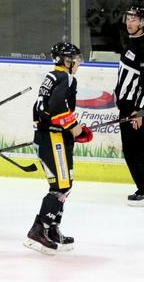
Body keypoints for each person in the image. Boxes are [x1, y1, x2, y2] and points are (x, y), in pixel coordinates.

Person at [24, 41, 93, 255]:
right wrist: (74, 129)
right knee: (61, 186)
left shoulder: (52, 76)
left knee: (65, 184)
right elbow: (56, 106)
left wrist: (72, 129)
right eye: (76, 58)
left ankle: (52, 228)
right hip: (54, 139)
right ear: (66, 60)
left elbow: (44, 109)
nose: (79, 62)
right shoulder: (67, 77)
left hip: (50, 136)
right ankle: (38, 231)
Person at [114, 6, 144, 207]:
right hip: (129, 107)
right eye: (128, 18)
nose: (129, 22)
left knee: (133, 148)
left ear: (143, 23)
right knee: (141, 144)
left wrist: (140, 111)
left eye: (134, 19)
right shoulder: (133, 45)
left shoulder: (142, 48)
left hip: (133, 109)